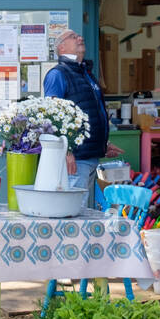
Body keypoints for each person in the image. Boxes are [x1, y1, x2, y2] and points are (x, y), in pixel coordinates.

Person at [42, 29, 122, 197]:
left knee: (81, 211)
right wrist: (67, 151)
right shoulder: (58, 74)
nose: (80, 38)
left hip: (89, 156)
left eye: (79, 35)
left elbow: (90, 112)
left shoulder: (85, 73)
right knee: (73, 212)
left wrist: (102, 145)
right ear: (61, 48)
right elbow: (51, 117)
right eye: (73, 37)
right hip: (76, 160)